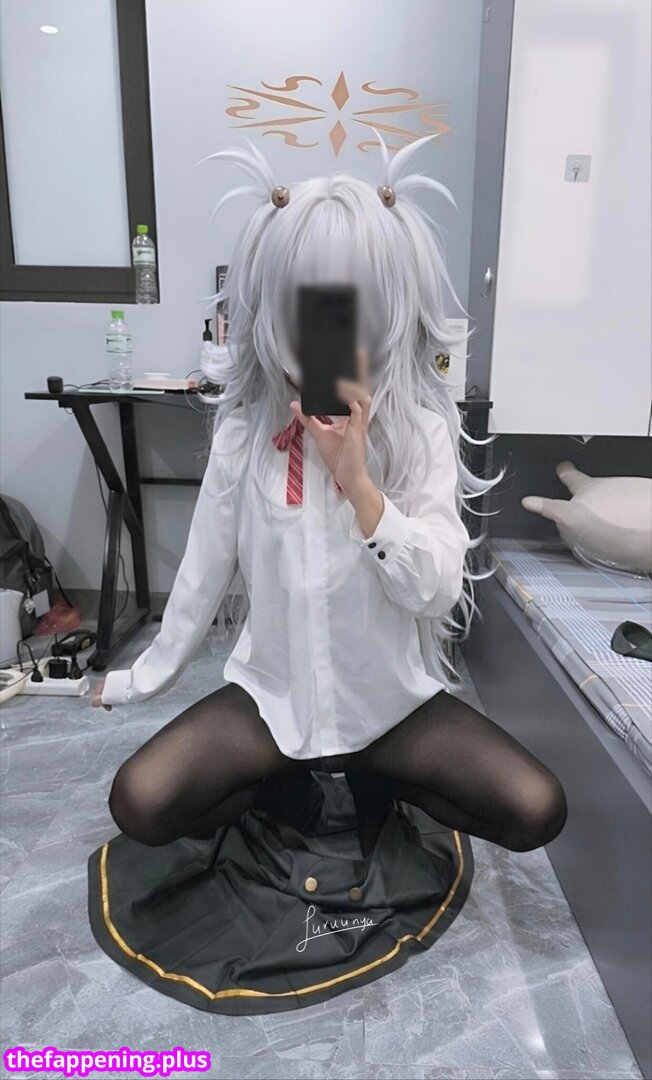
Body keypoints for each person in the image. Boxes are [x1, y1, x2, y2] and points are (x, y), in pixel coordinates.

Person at [91, 132, 567, 862]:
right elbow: (200, 577)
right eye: (309, 306)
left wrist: (359, 485)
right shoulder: (245, 437)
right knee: (141, 800)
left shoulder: (421, 433)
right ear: (274, 308)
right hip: (273, 704)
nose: (327, 331)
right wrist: (137, 679)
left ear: (384, 309)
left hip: (388, 709)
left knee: (535, 806)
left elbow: (437, 592)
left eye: (348, 308)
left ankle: (378, 782)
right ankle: (289, 783)